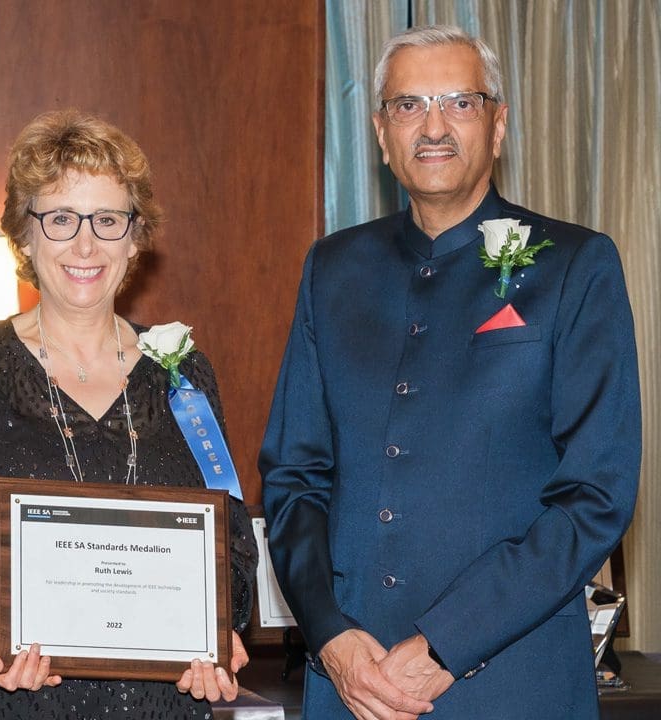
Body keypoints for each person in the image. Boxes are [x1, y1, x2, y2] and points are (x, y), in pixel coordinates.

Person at [260, 25, 640, 720]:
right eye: (408, 106)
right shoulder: (332, 270)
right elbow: (293, 478)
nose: (432, 126)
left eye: (460, 103)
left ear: (498, 125)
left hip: (513, 683)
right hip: (351, 686)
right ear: (380, 132)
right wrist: (334, 638)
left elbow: (595, 494)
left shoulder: (574, 266)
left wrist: (443, 643)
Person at [0, 109, 258, 718]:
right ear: (24, 235)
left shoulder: (183, 372)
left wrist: (214, 635)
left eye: (107, 220)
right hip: (0, 703)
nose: (85, 244)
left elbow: (233, 545)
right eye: (60, 219)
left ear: (136, 237)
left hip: (158, 706)